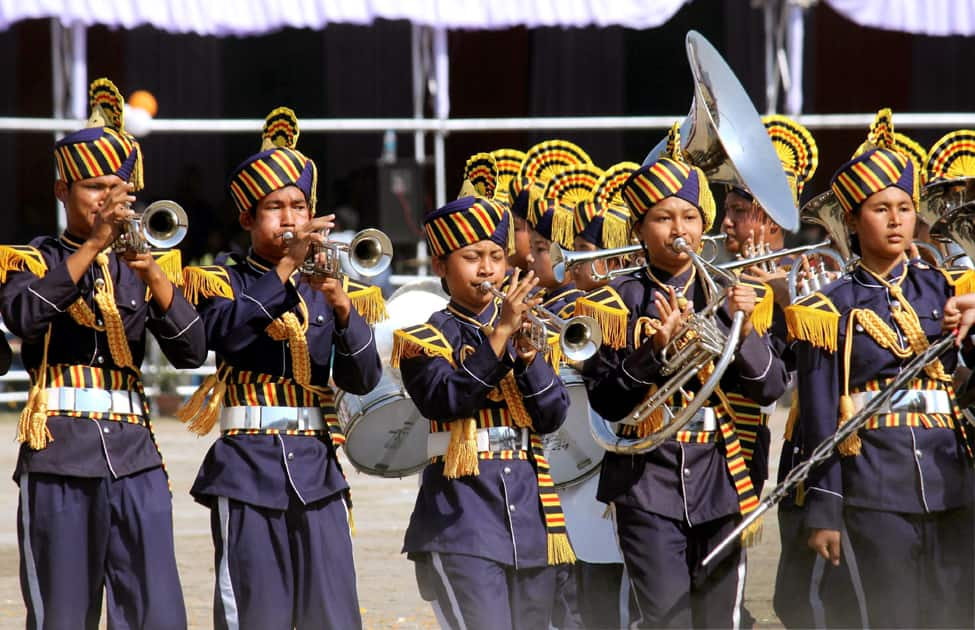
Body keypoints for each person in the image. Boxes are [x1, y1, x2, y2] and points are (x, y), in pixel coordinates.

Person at [0, 78, 205, 630]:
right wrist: (92, 246)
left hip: (136, 459)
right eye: (95, 187)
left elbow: (191, 351)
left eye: (120, 188)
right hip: (60, 457)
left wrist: (156, 277)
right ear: (63, 189)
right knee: (62, 617)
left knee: (158, 615)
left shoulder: (141, 266)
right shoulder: (30, 258)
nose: (110, 200)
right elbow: (23, 316)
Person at [178, 107, 385, 630]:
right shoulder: (220, 279)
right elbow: (220, 335)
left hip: (318, 471)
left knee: (333, 616)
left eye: (299, 205)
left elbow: (364, 378)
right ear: (247, 218)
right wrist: (288, 268)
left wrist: (341, 306)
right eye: (275, 207)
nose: (290, 218)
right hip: (247, 469)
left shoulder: (328, 289)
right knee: (256, 615)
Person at [578, 124, 788, 628]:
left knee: (722, 620)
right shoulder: (612, 303)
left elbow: (772, 387)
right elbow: (607, 400)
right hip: (645, 484)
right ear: (638, 228)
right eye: (663, 217)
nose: (679, 229)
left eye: (690, 217)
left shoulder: (732, 293)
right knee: (665, 620)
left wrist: (746, 329)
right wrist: (653, 351)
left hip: (723, 477)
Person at [787, 110, 975, 629]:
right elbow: (820, 417)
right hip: (875, 488)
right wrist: (824, 509)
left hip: (953, 479)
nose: (896, 220)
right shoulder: (826, 308)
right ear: (850, 219)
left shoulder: (949, 289)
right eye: (879, 209)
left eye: (905, 208)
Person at [391, 194, 573, 630]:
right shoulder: (423, 336)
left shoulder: (530, 327)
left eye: (496, 256)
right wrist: (499, 338)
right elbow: (446, 400)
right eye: (472, 257)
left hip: (533, 517)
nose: (488, 269)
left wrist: (529, 357)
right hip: (461, 519)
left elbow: (552, 416)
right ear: (440, 267)